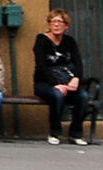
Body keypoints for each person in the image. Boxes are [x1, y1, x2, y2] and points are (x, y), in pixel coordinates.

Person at [33, 8, 90, 146]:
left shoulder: (69, 41)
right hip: (45, 83)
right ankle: (54, 132)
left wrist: (76, 79)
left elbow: (77, 62)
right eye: (53, 21)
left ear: (66, 26)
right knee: (57, 95)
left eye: (60, 22)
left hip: (66, 81)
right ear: (49, 24)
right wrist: (55, 84)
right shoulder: (41, 40)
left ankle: (75, 134)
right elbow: (41, 65)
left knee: (83, 97)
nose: (57, 24)